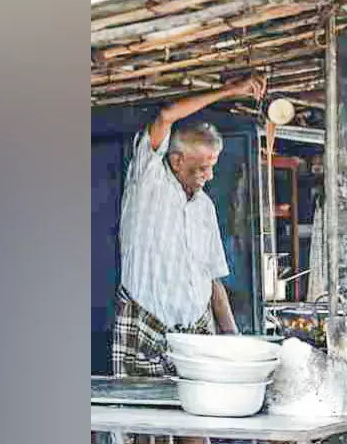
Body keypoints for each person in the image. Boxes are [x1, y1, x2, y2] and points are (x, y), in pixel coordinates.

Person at [112, 75, 267, 379]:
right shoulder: (148, 177)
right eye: (204, 166)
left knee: (203, 418)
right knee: (142, 421)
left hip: (197, 329)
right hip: (145, 322)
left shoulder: (204, 207)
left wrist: (233, 339)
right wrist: (230, 90)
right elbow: (167, 116)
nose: (210, 175)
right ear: (177, 159)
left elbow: (213, 279)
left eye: (213, 165)